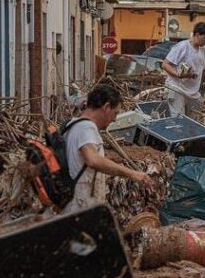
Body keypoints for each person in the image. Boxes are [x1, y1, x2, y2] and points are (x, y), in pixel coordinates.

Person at [63, 83, 155, 212]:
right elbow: (93, 160)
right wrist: (132, 174)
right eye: (115, 113)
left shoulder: (73, 124)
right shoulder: (86, 128)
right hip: (79, 208)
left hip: (78, 205)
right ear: (106, 107)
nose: (114, 119)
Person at [160, 22, 205, 118]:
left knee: (194, 123)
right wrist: (178, 74)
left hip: (193, 93)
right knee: (178, 122)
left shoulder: (203, 50)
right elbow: (165, 64)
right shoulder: (182, 47)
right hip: (177, 89)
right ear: (197, 35)